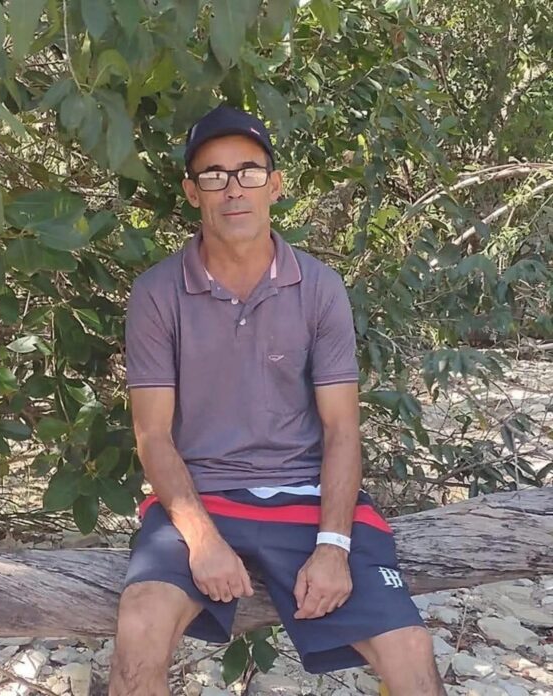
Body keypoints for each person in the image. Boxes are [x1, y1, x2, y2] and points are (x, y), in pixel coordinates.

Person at [109, 104, 445, 696]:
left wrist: (333, 547)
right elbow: (152, 436)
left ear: (275, 184)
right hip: (203, 497)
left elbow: (341, 430)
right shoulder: (158, 293)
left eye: (248, 171)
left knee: (412, 654)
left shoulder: (319, 287)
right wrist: (203, 541)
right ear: (192, 191)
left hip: (307, 498)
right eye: (213, 174)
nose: (232, 188)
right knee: (139, 630)